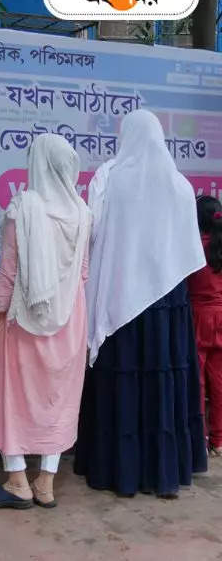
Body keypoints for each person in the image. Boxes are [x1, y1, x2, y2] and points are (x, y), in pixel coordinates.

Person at [74, 109, 209, 498]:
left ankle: (120, 470)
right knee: (165, 385)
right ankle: (166, 472)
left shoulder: (110, 180)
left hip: (122, 303)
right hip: (168, 304)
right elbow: (184, 250)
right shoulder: (180, 186)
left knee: (125, 384)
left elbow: (93, 233)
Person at [0, 134, 92, 510]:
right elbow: (84, 273)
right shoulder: (83, 213)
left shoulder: (23, 208)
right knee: (58, 397)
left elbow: (8, 274)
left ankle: (17, 481)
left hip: (25, 318)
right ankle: (46, 484)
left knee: (11, 393)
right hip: (69, 318)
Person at [189, 196, 222, 457]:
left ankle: (200, 439)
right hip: (221, 317)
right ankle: (219, 441)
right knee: (219, 382)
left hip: (198, 318)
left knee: (197, 382)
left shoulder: (193, 249)